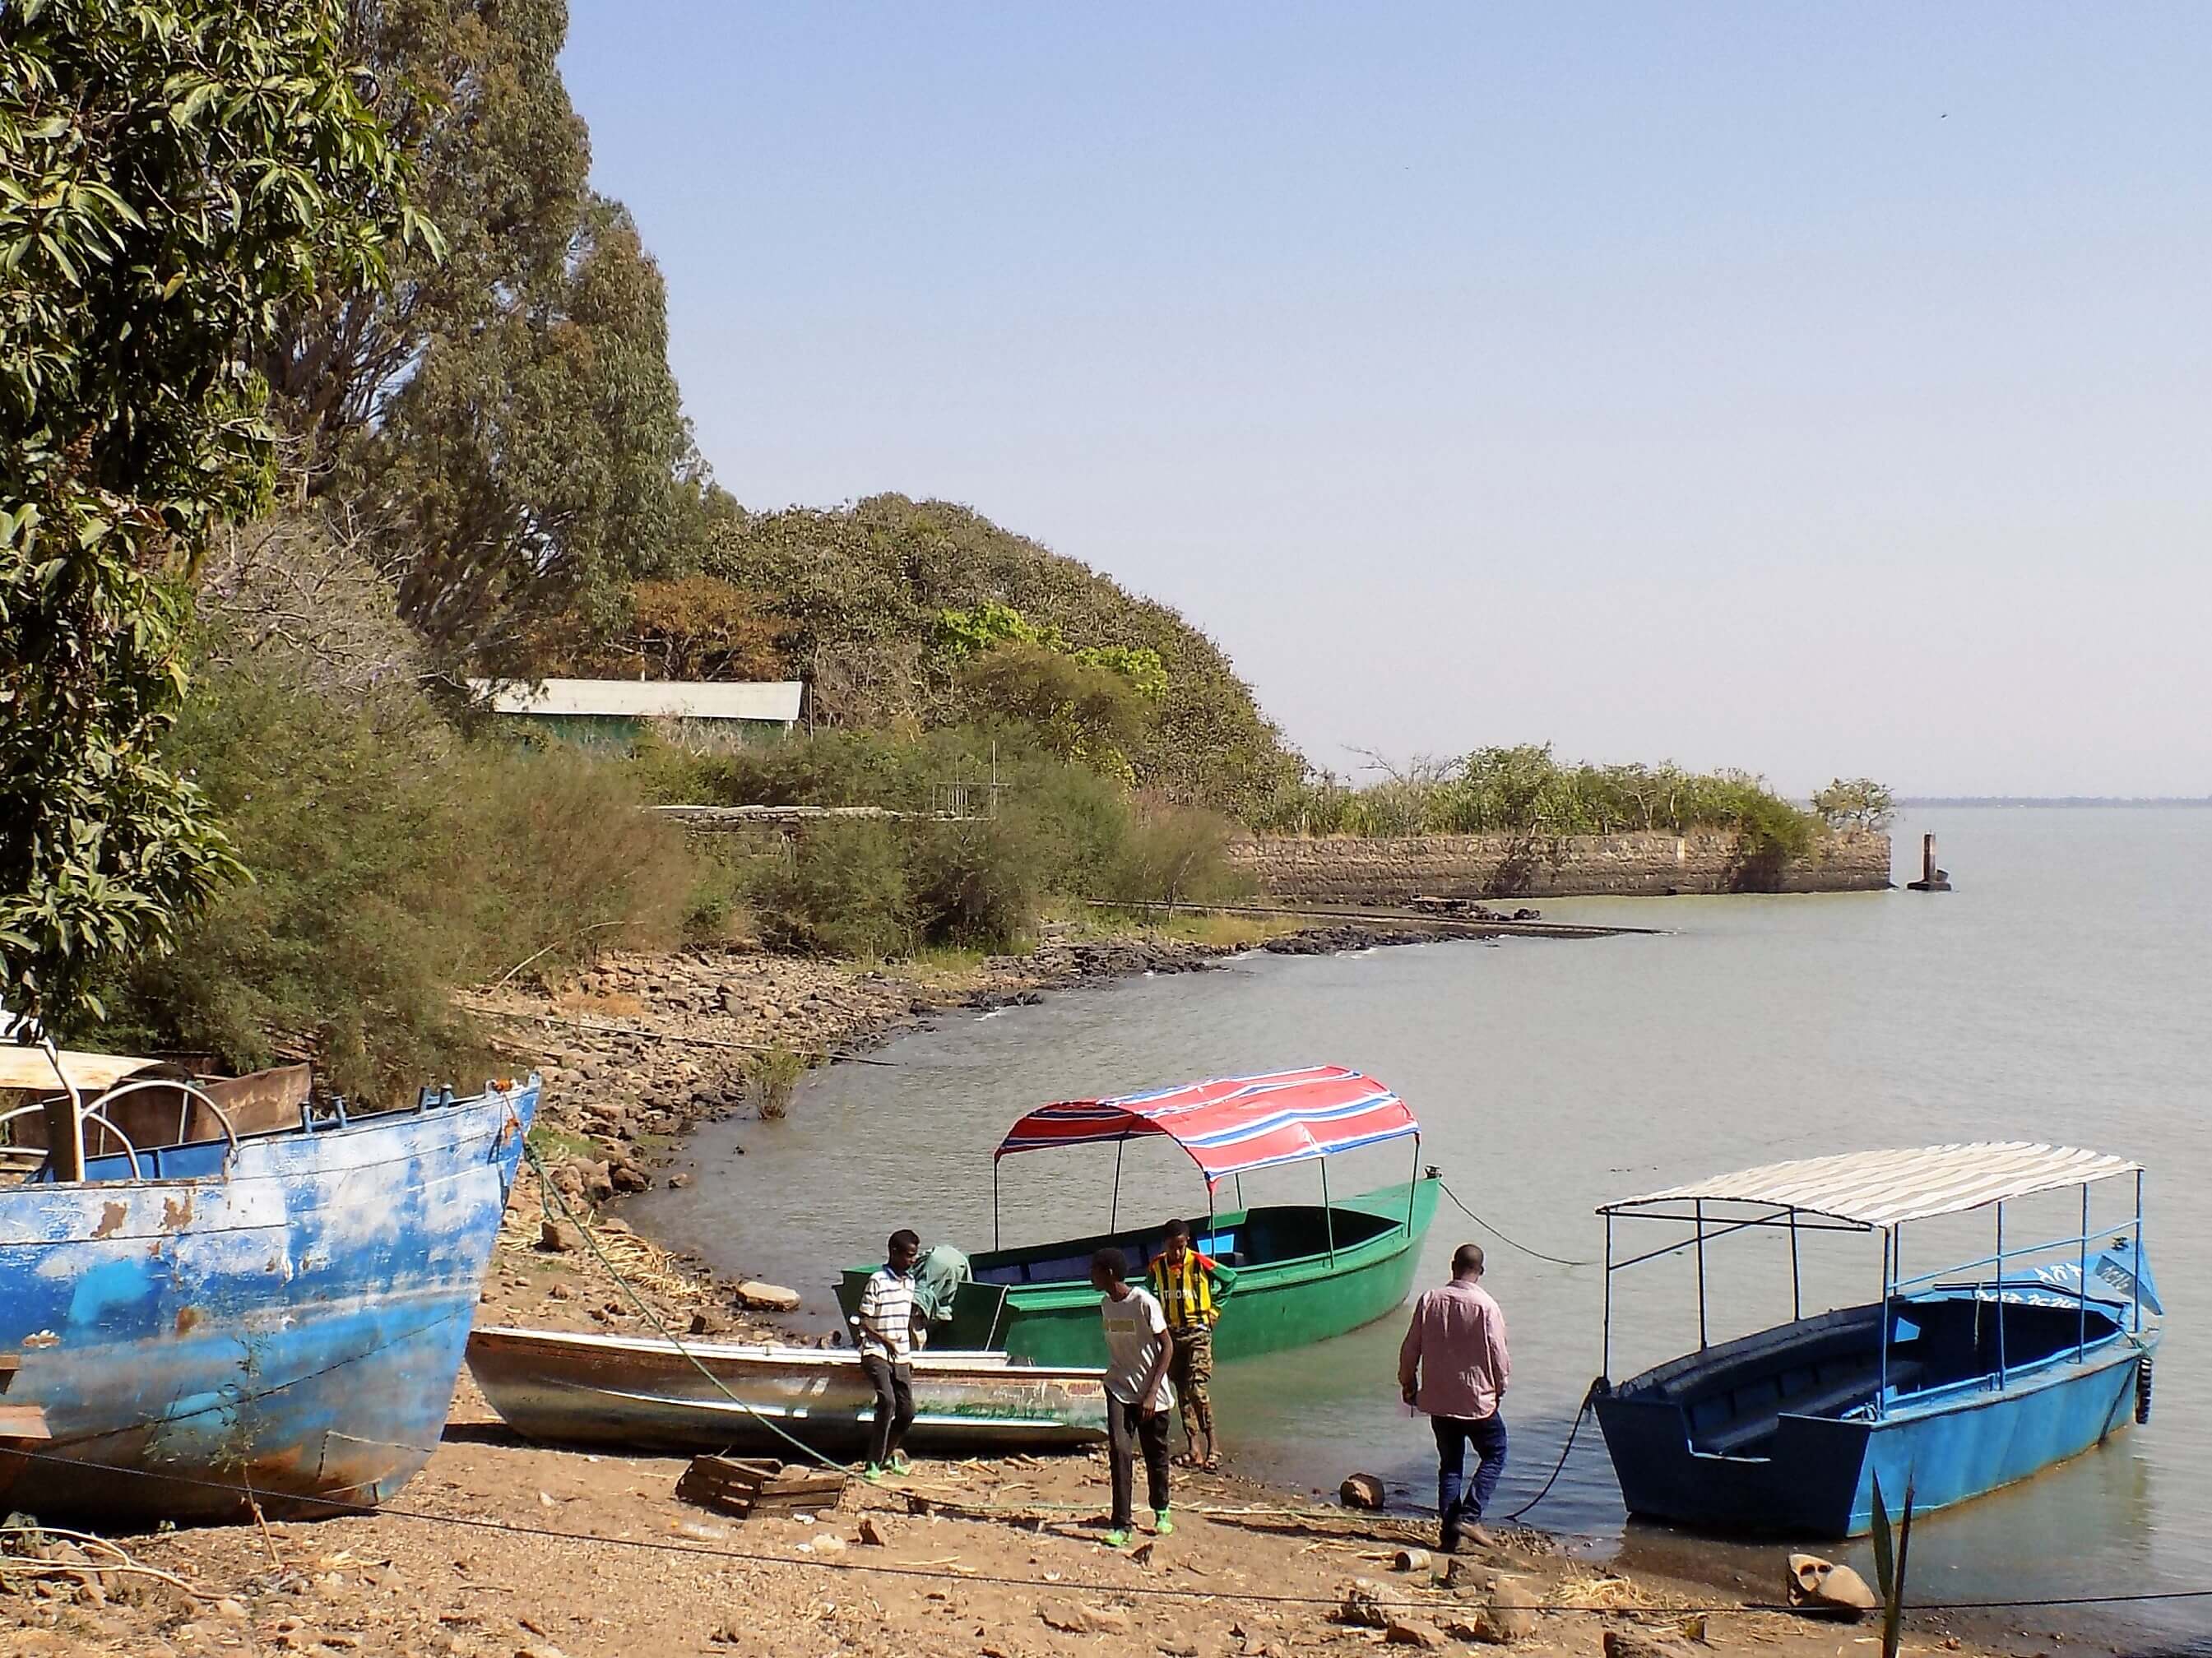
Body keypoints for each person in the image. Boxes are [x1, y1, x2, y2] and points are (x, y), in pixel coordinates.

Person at [1398, 1243, 1510, 1553]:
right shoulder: (1487, 1307)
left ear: (1452, 1266)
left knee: (1450, 1465)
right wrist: (1500, 1389)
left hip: (1438, 1399)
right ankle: (1470, 1516)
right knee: (1496, 1453)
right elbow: (1499, 1357)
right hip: (1477, 1401)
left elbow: (1410, 1348)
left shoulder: (1430, 1299)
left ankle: (1449, 1537)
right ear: (1481, 1272)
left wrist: (1408, 1384)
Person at [1092, 1246, 1176, 1548]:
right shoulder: (1105, 1304)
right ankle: (1122, 1524)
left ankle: (1161, 1510)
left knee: (1156, 1455)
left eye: (1095, 1270)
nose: (1091, 1276)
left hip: (1151, 1392)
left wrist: (1152, 1393)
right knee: (1119, 1450)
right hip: (1118, 1386)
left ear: (1109, 1273)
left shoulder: (1144, 1302)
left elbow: (1167, 1347)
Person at [1147, 1218, 1236, 1470]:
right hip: (1173, 1336)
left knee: (1197, 1388)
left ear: (1186, 1242)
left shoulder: (1200, 1262)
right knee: (1183, 1392)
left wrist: (1215, 1310)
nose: (1177, 1251)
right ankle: (1193, 1448)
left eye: (1181, 1245)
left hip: (1198, 1332)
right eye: (1172, 1246)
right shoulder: (1157, 1266)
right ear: (1165, 1244)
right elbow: (1149, 1292)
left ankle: (1213, 1447)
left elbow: (1230, 1279)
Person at [855, 1228, 924, 1479]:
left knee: (907, 1411)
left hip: (901, 1355)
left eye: (915, 1255)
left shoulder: (910, 1283)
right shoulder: (877, 1280)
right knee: (888, 1402)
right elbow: (864, 1321)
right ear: (894, 1253)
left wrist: (909, 1347)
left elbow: (905, 1319)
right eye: (909, 1255)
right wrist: (886, 1341)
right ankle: (872, 1462)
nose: (913, 1260)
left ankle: (886, 1457)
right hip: (876, 1351)